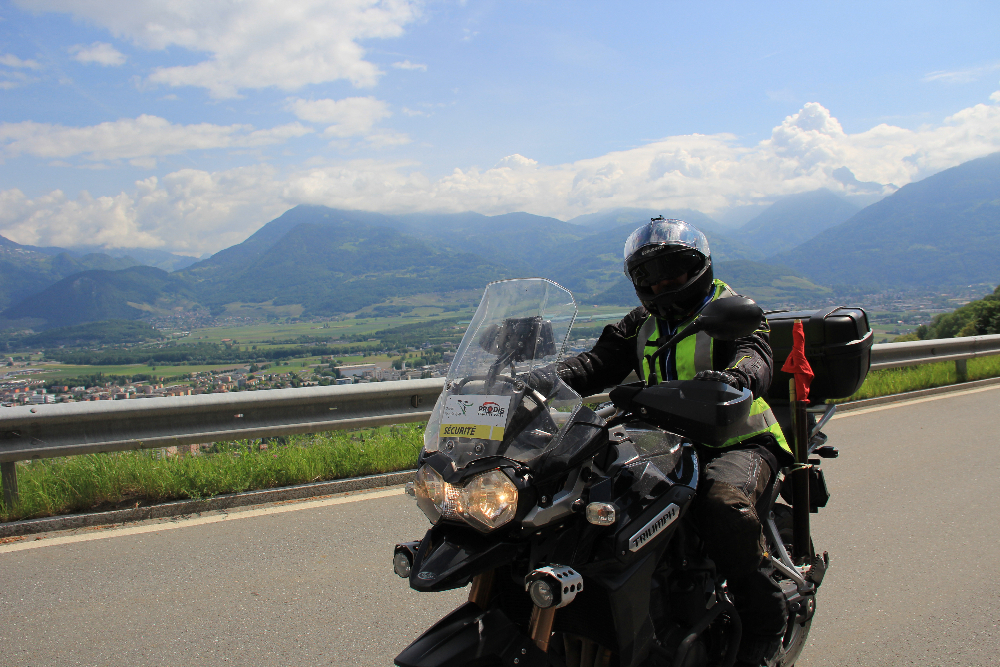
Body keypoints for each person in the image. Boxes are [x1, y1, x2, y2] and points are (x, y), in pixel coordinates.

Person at [542, 217, 792, 667]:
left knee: (722, 506)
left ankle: (766, 619)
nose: (662, 284)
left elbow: (755, 355)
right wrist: (543, 378)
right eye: (650, 277)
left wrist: (736, 378)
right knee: (584, 498)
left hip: (737, 440)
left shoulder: (731, 309)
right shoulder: (641, 322)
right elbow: (597, 364)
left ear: (699, 267)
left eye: (672, 272)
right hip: (660, 442)